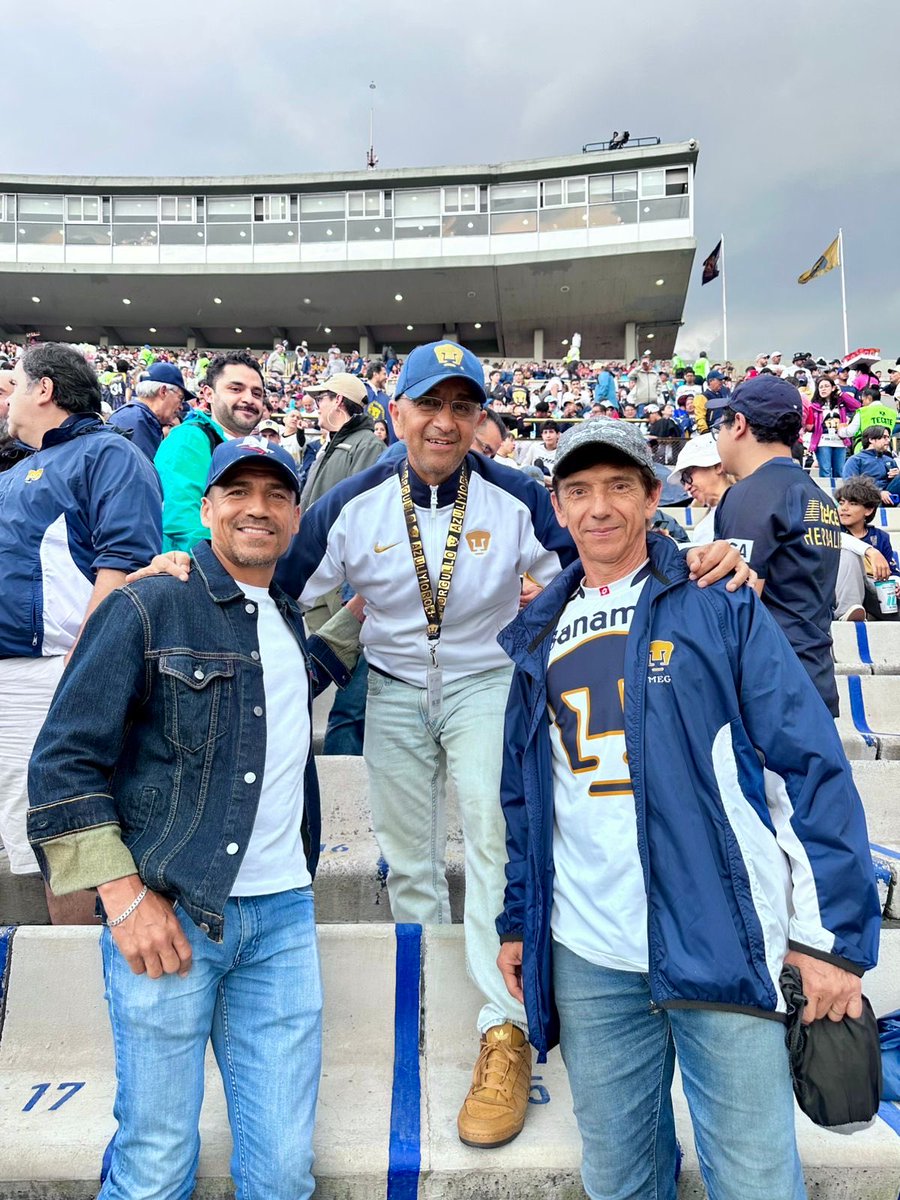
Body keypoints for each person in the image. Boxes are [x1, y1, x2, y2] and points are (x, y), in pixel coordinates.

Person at [133, 340, 751, 1151]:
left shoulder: (515, 494)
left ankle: (503, 1029)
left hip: (483, 681)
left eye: (463, 406)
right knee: (409, 860)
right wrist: (185, 565)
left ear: (480, 418)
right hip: (391, 685)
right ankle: (422, 997)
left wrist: (690, 556)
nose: (445, 421)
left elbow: (608, 549)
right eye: (429, 403)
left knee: (494, 844)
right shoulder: (352, 499)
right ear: (398, 412)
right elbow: (264, 575)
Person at [495, 418, 880, 1200]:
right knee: (618, 1180)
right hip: (590, 951)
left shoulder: (720, 599)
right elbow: (528, 800)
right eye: (578, 491)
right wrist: (517, 918)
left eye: (618, 486)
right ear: (557, 509)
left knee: (756, 1182)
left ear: (651, 497)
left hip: (720, 939)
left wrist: (831, 938)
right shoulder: (538, 633)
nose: (598, 507)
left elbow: (808, 764)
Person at [28, 435, 354, 1200]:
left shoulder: (284, 616)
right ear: (206, 510)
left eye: (275, 495)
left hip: (282, 917)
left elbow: (280, 692)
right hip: (170, 911)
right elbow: (62, 763)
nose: (257, 509)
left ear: (295, 517)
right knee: (155, 1164)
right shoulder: (149, 602)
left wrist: (367, 611)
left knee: (282, 1174)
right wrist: (122, 899)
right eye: (238, 492)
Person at [0, 343, 162, 924]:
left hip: (52, 669)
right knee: (36, 837)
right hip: (19, 671)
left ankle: (82, 968)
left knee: (61, 832)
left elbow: (125, 562)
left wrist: (86, 667)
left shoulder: (108, 452)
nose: (7, 398)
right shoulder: (17, 468)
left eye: (14, 384)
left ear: (44, 388)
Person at [710, 375, 842, 716]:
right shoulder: (818, 495)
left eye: (719, 427)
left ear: (739, 424)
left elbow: (736, 600)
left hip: (771, 688)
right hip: (815, 676)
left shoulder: (751, 494)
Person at [300, 372, 386, 756]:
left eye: (321, 398)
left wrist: (357, 583)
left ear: (337, 400)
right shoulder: (331, 446)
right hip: (321, 577)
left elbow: (367, 515)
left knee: (352, 678)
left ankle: (343, 755)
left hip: (348, 580)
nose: (315, 404)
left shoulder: (366, 445)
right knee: (334, 664)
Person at [154, 351, 267, 550]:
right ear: (208, 394)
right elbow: (184, 522)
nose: (249, 399)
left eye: (257, 393)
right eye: (236, 389)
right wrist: (217, 568)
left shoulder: (257, 450)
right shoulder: (189, 439)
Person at [834, 477, 900, 621]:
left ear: (869, 510)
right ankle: (847, 613)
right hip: (842, 589)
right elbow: (838, 538)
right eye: (841, 503)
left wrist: (896, 583)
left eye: (853, 504)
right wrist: (871, 551)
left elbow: (892, 571)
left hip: (874, 588)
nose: (844, 508)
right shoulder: (833, 530)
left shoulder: (881, 537)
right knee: (849, 554)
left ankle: (868, 614)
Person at [107, 361, 191, 460]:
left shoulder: (138, 416)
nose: (181, 407)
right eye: (180, 398)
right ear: (163, 391)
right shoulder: (136, 421)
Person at [668, 433, 733, 543]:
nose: (686, 487)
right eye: (683, 481)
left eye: (687, 476)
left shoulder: (750, 508)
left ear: (718, 466)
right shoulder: (701, 528)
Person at [806, 376, 852, 478]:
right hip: (823, 442)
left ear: (833, 388)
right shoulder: (814, 406)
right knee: (825, 471)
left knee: (839, 472)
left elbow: (856, 406)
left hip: (840, 441)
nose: (823, 389)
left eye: (826, 386)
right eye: (821, 387)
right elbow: (811, 426)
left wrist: (841, 394)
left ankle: (838, 490)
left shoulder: (841, 404)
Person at [842, 425, 900, 505]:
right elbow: (850, 484)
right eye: (884, 437)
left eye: (888, 437)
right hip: (867, 499)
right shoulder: (855, 460)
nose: (888, 440)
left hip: (890, 497)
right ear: (871, 439)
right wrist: (878, 492)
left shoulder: (889, 460)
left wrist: (897, 475)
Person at [364, 360, 396, 443]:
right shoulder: (362, 392)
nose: (386, 377)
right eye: (384, 374)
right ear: (375, 374)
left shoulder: (386, 398)